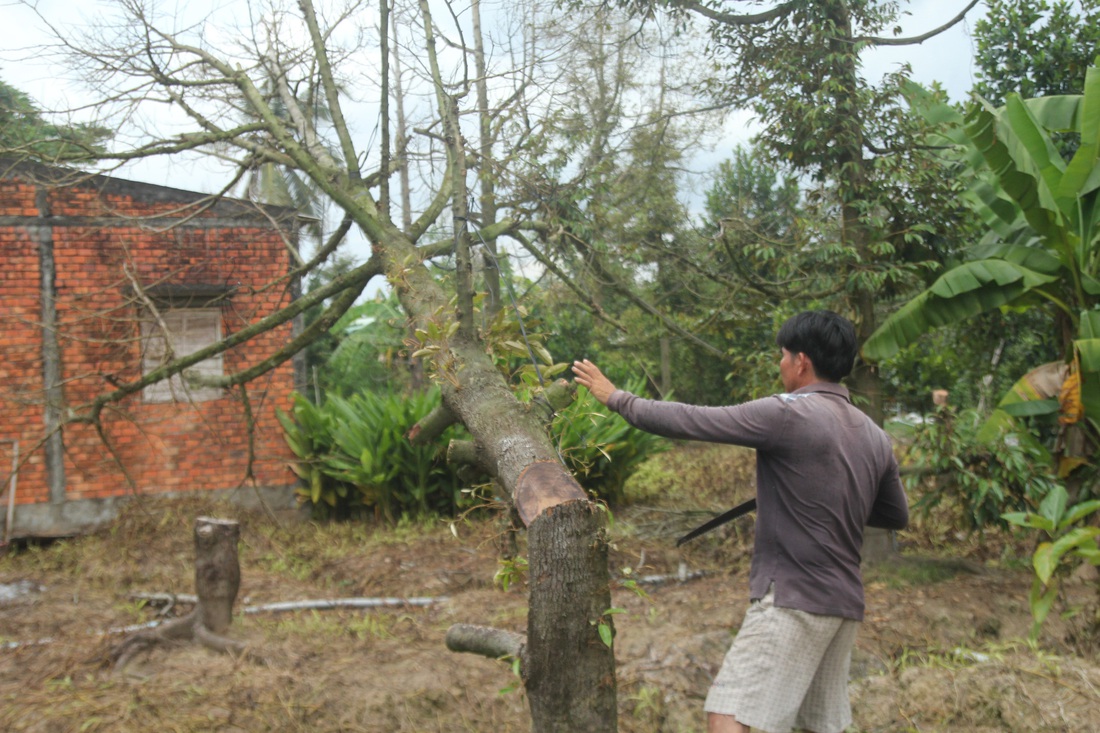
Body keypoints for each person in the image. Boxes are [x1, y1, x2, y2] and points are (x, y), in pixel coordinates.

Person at [571, 310, 908, 733]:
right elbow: (896, 514)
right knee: (815, 726)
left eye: (782, 356)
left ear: (801, 361)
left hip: (793, 598)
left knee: (729, 716)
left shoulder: (788, 413)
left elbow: (692, 420)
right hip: (843, 604)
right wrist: (831, 493)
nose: (780, 365)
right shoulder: (874, 434)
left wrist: (616, 397)